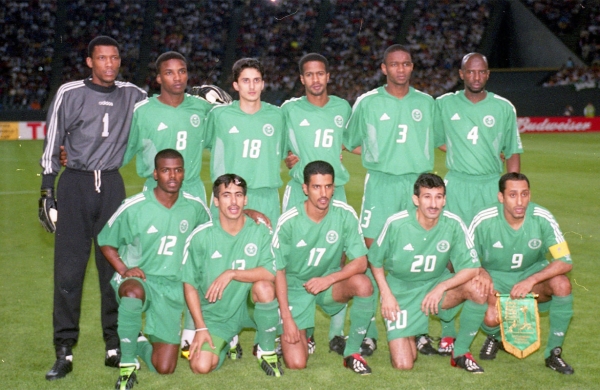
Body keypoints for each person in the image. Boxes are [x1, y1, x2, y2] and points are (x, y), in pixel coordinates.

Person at [39, 36, 147, 381]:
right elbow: (52, 140)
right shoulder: (70, 93)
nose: (110, 64)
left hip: (112, 185)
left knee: (112, 271)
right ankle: (64, 350)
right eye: (102, 58)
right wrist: (46, 189)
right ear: (90, 62)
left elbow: (164, 107)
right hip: (76, 184)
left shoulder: (133, 94)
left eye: (114, 58)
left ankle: (114, 345)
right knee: (69, 272)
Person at [344, 44, 436, 355]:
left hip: (416, 187)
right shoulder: (367, 102)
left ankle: (418, 329)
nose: (400, 69)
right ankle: (368, 331)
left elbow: (441, 142)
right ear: (384, 68)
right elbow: (349, 142)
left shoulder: (426, 103)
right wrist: (376, 155)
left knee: (414, 257)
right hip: (380, 186)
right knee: (371, 255)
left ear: (412, 67)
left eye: (406, 64)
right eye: (394, 64)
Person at [433, 52, 523, 355]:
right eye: (470, 72)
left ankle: (491, 330)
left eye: (481, 72)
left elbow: (512, 152)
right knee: (448, 255)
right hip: (456, 185)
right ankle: (446, 332)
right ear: (461, 73)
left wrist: (511, 192)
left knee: (489, 257)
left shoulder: (503, 107)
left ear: (488, 74)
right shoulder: (444, 104)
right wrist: (461, 150)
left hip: (489, 187)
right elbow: (432, 139)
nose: (475, 77)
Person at [98, 149, 211, 388]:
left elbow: (211, 237)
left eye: (178, 170)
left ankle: (137, 341)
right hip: (141, 280)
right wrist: (123, 269)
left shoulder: (195, 208)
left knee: (165, 367)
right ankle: (127, 365)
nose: (172, 175)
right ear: (155, 174)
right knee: (131, 292)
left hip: (171, 287)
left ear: (184, 173)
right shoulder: (134, 206)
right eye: (166, 170)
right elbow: (106, 242)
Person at [369, 173, 487, 373]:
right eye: (427, 197)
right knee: (404, 364)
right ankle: (412, 333)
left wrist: (441, 287)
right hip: (401, 290)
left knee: (477, 288)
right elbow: (375, 260)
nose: (434, 204)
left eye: (439, 197)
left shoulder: (453, 224)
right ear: (416, 199)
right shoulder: (397, 223)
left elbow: (472, 267)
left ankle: (460, 353)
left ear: (444, 200)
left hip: (435, 285)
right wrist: (386, 295)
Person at [280, 52, 352, 356]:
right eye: (309, 75)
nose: (315, 79)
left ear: (328, 76)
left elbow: (352, 141)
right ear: (301, 79)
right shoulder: (289, 110)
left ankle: (337, 334)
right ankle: (304, 330)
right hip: (300, 191)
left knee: (339, 257)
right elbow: (281, 147)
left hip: (335, 192)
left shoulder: (342, 107)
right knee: (297, 262)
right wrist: (288, 160)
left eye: (320, 73)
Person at [273, 161, 376, 375]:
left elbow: (360, 262)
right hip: (295, 288)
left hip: (328, 284)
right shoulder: (289, 222)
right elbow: (278, 271)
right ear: (305, 189)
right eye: (316, 187)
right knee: (296, 363)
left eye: (328, 186)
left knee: (363, 284)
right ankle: (302, 331)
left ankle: (352, 352)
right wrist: (287, 318)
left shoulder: (344, 214)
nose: (323, 193)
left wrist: (329, 279)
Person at [470, 172, 574, 374]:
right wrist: (480, 271)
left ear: (530, 195)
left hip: (532, 278)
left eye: (524, 194)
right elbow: (465, 258)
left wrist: (531, 280)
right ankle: (497, 337)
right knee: (490, 318)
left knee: (562, 283)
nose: (520, 201)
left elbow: (565, 260)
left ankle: (554, 353)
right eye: (512, 195)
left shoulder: (542, 217)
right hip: (497, 279)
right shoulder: (484, 219)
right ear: (500, 197)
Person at [182, 174, 282, 377]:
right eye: (226, 195)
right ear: (216, 201)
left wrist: (232, 273)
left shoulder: (260, 232)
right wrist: (200, 328)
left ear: (246, 200)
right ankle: (228, 342)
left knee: (264, 287)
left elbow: (271, 272)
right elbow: (189, 285)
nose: (233, 201)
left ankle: (267, 350)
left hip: (250, 307)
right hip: (218, 314)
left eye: (238, 195)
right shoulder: (201, 236)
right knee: (200, 366)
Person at [123, 51, 214, 203]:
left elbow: (225, 137)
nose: (177, 78)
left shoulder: (202, 107)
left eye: (182, 71)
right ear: (159, 78)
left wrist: (226, 107)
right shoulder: (142, 111)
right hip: (156, 190)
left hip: (193, 192)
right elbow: (120, 152)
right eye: (169, 73)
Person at [205, 58, 286, 224]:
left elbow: (285, 150)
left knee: (266, 249)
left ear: (263, 84)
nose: (251, 86)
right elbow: (206, 142)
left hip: (266, 196)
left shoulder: (278, 116)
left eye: (256, 80)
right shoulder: (219, 115)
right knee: (222, 247)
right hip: (228, 195)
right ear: (236, 85)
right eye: (245, 81)